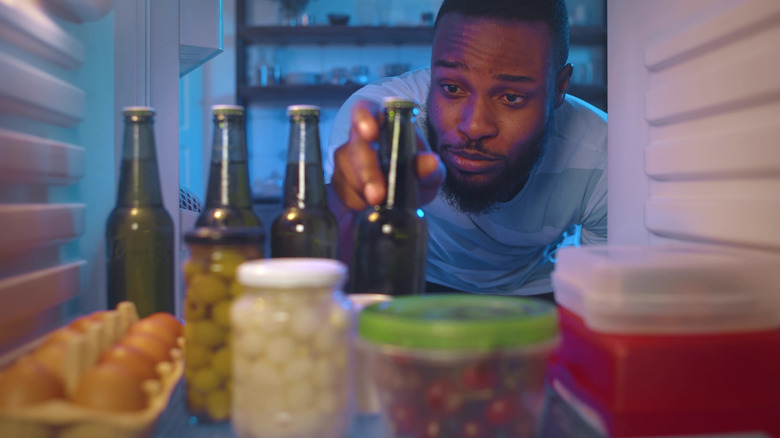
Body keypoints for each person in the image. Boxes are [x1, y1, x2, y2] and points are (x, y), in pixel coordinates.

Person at [325, 0, 607, 298]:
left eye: (511, 97)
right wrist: (347, 204)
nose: (474, 127)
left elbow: (604, 297)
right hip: (415, 281)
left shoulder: (602, 152)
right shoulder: (380, 124)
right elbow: (331, 284)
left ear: (559, 88)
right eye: (452, 88)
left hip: (539, 292)